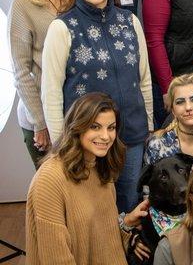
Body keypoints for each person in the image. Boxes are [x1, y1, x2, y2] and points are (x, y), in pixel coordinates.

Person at [41, 0, 153, 213]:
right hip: (84, 143)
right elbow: (51, 92)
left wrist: (147, 124)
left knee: (128, 206)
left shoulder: (130, 22)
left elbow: (144, 79)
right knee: (90, 213)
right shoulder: (62, 28)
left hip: (131, 138)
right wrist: (61, 146)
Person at [26, 92, 150, 264]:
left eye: (111, 127)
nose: (106, 136)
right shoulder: (49, 179)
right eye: (95, 127)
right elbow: (56, 258)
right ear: (76, 127)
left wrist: (126, 223)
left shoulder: (100, 166)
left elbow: (100, 234)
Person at [8, 0, 73, 169]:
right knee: (52, 189)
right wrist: (40, 123)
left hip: (74, 110)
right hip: (41, 115)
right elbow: (22, 71)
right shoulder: (22, 6)